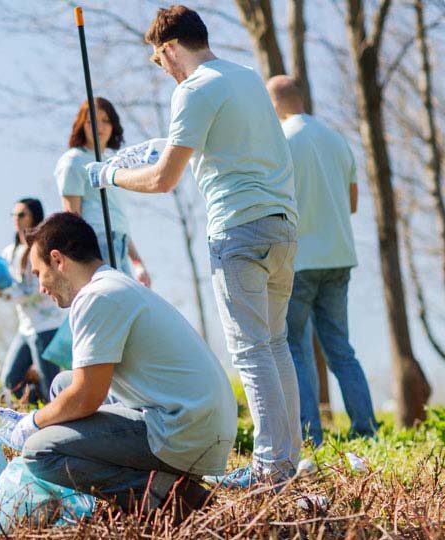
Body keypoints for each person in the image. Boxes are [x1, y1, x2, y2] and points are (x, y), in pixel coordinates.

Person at [86, 5, 300, 487]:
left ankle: (269, 469)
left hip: (238, 229)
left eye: (158, 61)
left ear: (169, 49)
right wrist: (162, 142)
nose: (161, 71)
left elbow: (164, 181)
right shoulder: (244, 76)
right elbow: (224, 141)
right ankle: (287, 460)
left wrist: (111, 175)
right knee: (275, 343)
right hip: (282, 225)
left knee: (250, 350)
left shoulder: (193, 89)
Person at [3, 212, 237, 520]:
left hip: (184, 430)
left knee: (40, 451)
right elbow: (79, 389)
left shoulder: (97, 297)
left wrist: (33, 422)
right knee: (62, 384)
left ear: (58, 260)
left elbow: (87, 398)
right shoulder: (114, 285)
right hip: (197, 420)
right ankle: (161, 482)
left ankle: (167, 494)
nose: (41, 287)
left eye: (38, 272)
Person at [266, 75, 376, 446]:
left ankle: (311, 436)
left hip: (299, 260)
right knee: (340, 348)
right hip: (340, 257)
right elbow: (353, 204)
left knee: (294, 345)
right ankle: (367, 431)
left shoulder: (280, 142)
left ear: (277, 103)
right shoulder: (336, 139)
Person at [54, 98, 150, 285]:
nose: (100, 127)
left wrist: (137, 261)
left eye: (105, 120)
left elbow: (117, 216)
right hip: (96, 243)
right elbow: (72, 216)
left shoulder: (114, 162)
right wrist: (82, 258)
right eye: (92, 121)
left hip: (119, 243)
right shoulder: (74, 161)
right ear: (82, 125)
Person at [0, 198, 64, 403]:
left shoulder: (43, 247)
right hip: (25, 327)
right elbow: (7, 282)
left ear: (34, 216)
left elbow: (40, 286)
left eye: (22, 215)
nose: (16, 219)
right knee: (10, 379)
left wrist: (10, 294)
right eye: (14, 215)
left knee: (51, 383)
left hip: (46, 325)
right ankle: (42, 407)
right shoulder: (9, 252)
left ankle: (58, 417)